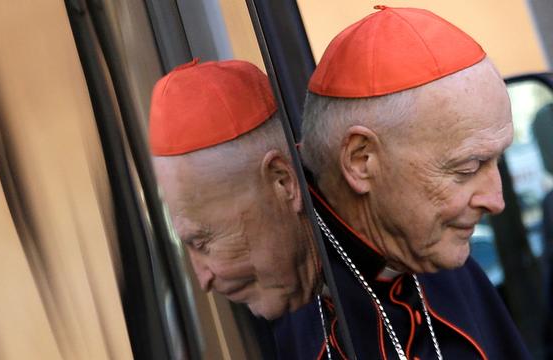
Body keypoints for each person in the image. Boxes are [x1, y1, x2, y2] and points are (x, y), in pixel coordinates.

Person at [272, 6, 531, 360]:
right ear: (361, 160)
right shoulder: (275, 296)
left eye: (497, 160)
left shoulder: (442, 252)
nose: (495, 200)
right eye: (469, 166)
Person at [149, 59, 322, 321]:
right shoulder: (285, 320)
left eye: (202, 243)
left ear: (282, 182)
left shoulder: (393, 253)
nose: (203, 280)